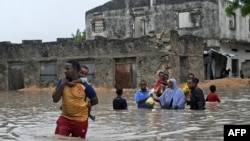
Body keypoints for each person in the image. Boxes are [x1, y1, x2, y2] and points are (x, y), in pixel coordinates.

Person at [52, 60, 98, 139]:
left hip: (80, 121)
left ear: (76, 71)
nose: (65, 71)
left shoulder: (85, 86)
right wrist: (62, 85)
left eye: (68, 69)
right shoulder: (61, 82)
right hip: (64, 118)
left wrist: (86, 105)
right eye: (65, 69)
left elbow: (95, 101)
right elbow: (55, 99)